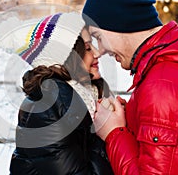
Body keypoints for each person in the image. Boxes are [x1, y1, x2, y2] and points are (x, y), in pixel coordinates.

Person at [82, 0, 178, 174]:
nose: (99, 51)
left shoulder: (162, 87)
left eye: (98, 37)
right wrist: (129, 116)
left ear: (119, 23)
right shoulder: (172, 61)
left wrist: (113, 133)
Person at [9, 12, 113, 174]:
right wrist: (106, 132)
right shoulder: (45, 109)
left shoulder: (90, 99)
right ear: (64, 58)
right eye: (87, 48)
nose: (97, 53)